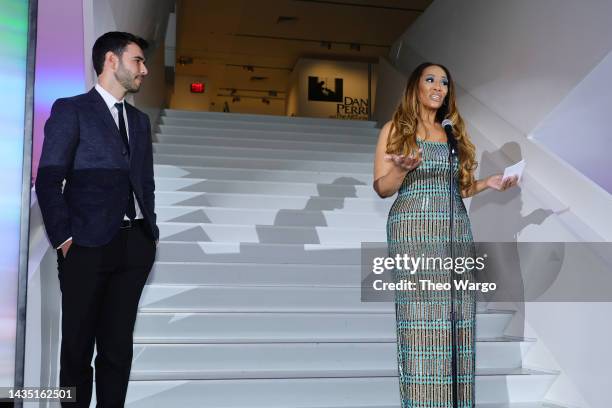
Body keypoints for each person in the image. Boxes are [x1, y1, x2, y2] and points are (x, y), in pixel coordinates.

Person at [373, 62, 518, 407]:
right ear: (415, 87)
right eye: (431, 80)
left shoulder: (452, 133)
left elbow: (459, 189)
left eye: (444, 82)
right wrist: (399, 167)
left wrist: (487, 183)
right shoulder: (396, 129)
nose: (438, 86)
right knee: (421, 321)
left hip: (454, 231)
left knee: (458, 317)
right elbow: (382, 188)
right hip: (413, 229)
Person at [35, 31, 159, 407]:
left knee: (118, 349)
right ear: (111, 60)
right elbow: (48, 179)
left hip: (133, 246)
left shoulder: (138, 121)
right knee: (76, 349)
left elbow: (145, 182)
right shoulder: (71, 109)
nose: (145, 70)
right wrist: (64, 240)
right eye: (137, 61)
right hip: (85, 247)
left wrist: (149, 233)